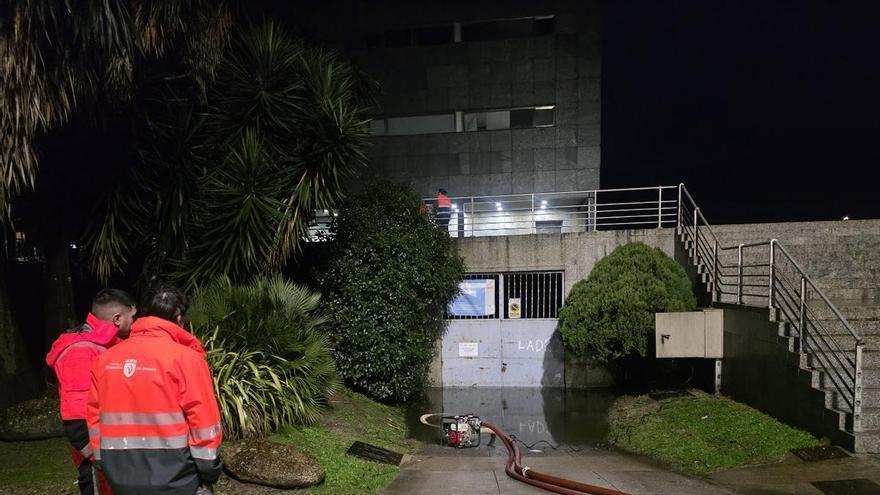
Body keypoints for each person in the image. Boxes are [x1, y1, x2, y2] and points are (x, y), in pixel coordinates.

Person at [87, 285, 222, 495]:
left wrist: (103, 463)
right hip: (177, 477)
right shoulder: (187, 359)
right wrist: (208, 472)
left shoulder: (104, 361)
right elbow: (202, 420)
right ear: (179, 319)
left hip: (119, 476)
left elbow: (95, 418)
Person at [46, 288, 137, 495]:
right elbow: (76, 416)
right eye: (132, 317)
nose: (135, 322)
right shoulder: (81, 351)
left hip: (113, 451)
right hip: (100, 457)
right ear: (117, 318)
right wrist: (95, 457)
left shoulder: (107, 343)